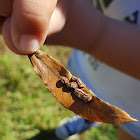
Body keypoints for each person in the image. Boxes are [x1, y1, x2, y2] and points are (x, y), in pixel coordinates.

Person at [0, 0, 140, 140]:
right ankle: (89, 118)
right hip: (90, 67)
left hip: (134, 106)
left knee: (127, 132)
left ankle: (95, 116)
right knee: (91, 103)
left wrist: (94, 33)